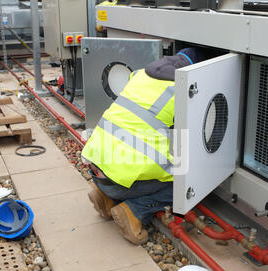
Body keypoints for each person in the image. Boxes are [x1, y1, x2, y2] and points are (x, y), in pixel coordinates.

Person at [81, 47, 209, 245]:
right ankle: (135, 211)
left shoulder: (139, 76)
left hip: (96, 169)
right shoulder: (185, 92)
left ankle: (104, 196)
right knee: (186, 181)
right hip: (120, 182)